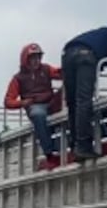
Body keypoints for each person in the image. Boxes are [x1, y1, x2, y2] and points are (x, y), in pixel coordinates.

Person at [61, 23, 107, 161]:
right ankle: (83, 146)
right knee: (84, 100)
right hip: (85, 55)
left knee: (72, 103)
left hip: (67, 54)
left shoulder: (99, 36)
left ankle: (74, 146)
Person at [4, 43, 63, 171]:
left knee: (69, 92)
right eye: (32, 58)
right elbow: (8, 101)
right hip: (36, 106)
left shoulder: (46, 69)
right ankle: (50, 155)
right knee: (38, 114)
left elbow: (60, 74)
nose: (36, 60)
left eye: (38, 57)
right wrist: (23, 103)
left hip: (51, 102)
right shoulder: (18, 78)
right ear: (25, 59)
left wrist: (70, 68)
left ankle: (78, 142)